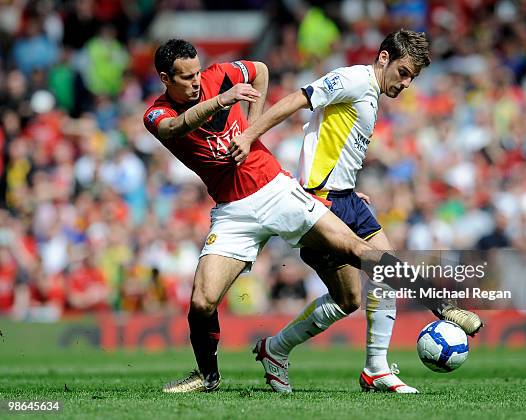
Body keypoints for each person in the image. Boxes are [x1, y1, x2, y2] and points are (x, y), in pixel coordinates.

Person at [144, 39, 481, 394]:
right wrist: (222, 101)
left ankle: (440, 305)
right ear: (166, 79)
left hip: (275, 189)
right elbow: (172, 129)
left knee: (355, 250)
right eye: (186, 77)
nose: (196, 81)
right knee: (201, 301)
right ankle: (208, 376)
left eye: (198, 72)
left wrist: (250, 132)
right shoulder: (156, 114)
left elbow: (260, 70)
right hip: (232, 211)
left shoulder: (218, 74)